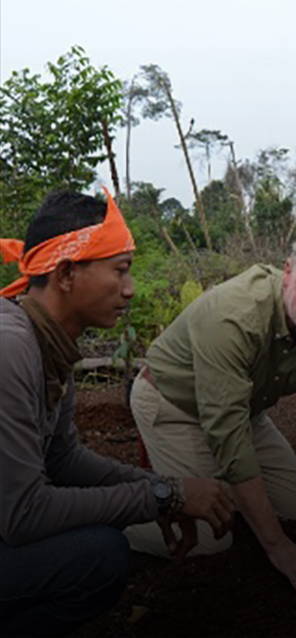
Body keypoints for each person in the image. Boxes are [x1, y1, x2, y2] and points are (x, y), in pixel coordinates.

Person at [0, 191, 234, 638]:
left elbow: (63, 460)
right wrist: (165, 498)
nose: (129, 288)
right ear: (67, 274)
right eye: (120, 270)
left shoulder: (47, 343)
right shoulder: (11, 348)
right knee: (99, 558)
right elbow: (23, 514)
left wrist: (159, 487)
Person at [126, 222, 296, 595]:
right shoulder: (233, 317)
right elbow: (228, 438)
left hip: (244, 411)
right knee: (210, 542)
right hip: (175, 406)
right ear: (288, 272)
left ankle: (222, 494)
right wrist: (279, 546)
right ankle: (112, 514)